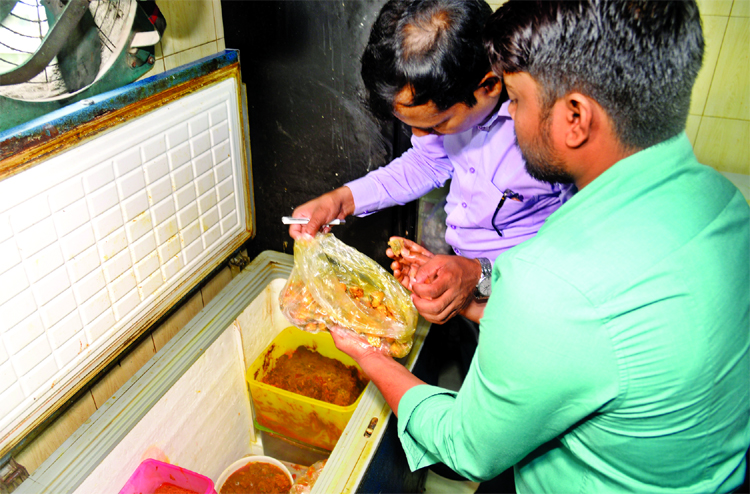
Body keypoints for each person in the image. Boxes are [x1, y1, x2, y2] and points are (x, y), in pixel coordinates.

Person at [330, 0, 750, 491]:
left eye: (515, 97)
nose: (507, 113)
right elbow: (596, 341)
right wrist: (478, 297)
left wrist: (370, 356)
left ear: (575, 116)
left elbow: (468, 445)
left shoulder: (552, 282)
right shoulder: (725, 202)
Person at [288, 0, 572, 325]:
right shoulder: (450, 109)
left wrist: (483, 271)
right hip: (469, 293)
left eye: (436, 124)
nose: (420, 135)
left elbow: (574, 245)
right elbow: (426, 163)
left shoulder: (547, 137)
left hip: (532, 305)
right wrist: (340, 201)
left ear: (489, 86)